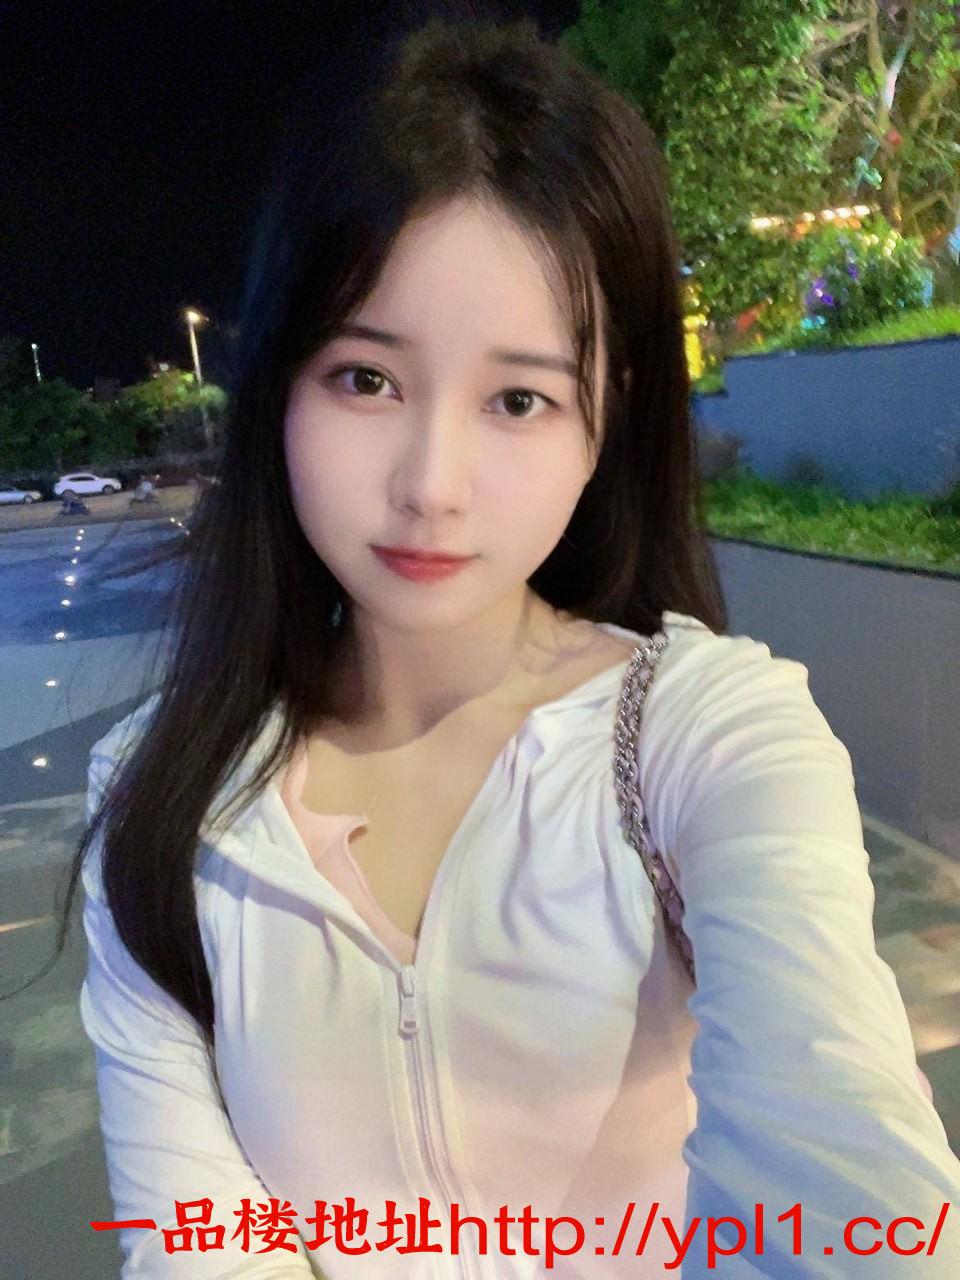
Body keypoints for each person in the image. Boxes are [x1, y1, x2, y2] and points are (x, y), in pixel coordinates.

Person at [55, 17, 960, 1278]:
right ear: (277, 385)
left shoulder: (709, 739)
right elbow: (198, 1246)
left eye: (519, 398)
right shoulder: (158, 800)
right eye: (366, 379)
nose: (432, 485)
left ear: (603, 423)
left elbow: (848, 1191)